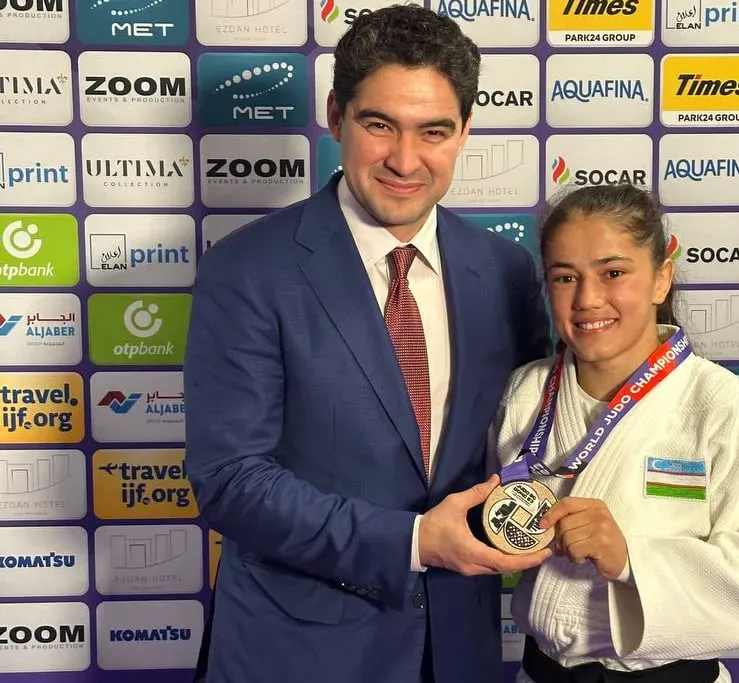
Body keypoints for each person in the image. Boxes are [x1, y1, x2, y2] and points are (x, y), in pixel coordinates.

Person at [182, 6, 553, 683]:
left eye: (433, 131)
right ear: (336, 116)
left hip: (459, 651)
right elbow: (230, 478)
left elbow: (535, 441)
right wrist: (414, 541)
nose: (405, 161)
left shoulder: (505, 269)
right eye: (380, 125)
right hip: (297, 656)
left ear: (465, 130)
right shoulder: (247, 269)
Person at [488, 183, 739, 683]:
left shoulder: (728, 408)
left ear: (661, 280)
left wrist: (630, 559)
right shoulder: (525, 392)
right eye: (565, 277)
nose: (588, 299)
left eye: (613, 273)